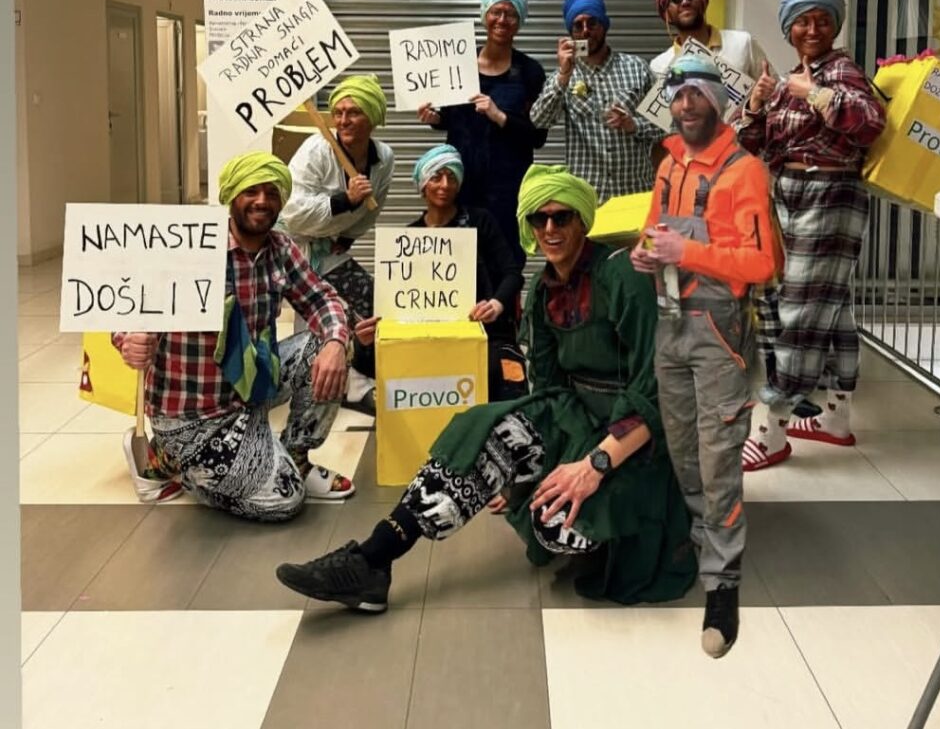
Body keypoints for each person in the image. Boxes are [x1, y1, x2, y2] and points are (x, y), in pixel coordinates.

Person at [276, 165, 695, 610]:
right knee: (481, 428)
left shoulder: (624, 275)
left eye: (562, 217)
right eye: (539, 219)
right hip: (582, 418)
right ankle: (373, 559)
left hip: (641, 437)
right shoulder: (545, 290)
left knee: (555, 528)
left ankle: (620, 521)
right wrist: (510, 462)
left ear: (582, 221)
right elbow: (549, 394)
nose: (549, 229)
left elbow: (659, 391)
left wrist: (593, 466)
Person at [630, 54, 778, 658]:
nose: (685, 104)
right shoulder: (669, 163)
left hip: (717, 329)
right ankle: (701, 538)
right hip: (669, 323)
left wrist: (686, 254)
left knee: (719, 457)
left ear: (718, 101)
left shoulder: (746, 172)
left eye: (696, 93)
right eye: (677, 94)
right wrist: (645, 253)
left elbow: (764, 263)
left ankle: (723, 582)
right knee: (683, 445)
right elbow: (652, 229)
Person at [113, 152, 354, 521]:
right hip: (193, 415)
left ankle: (295, 456)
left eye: (271, 193)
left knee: (329, 343)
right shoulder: (191, 246)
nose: (262, 201)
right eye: (250, 192)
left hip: (252, 389)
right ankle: (176, 463)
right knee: (285, 501)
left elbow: (322, 299)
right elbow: (130, 307)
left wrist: (336, 342)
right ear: (231, 196)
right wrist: (128, 340)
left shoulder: (281, 249)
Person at [736, 0, 885, 471]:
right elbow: (754, 143)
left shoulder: (841, 71)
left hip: (831, 190)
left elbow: (870, 123)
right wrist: (757, 103)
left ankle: (772, 429)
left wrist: (815, 94)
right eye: (803, 21)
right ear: (789, 29)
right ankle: (835, 418)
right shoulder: (787, 80)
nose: (813, 29)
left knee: (799, 311)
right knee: (830, 307)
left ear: (836, 25)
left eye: (823, 19)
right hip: (790, 193)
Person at [352, 144, 526, 401]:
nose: (445, 185)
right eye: (436, 177)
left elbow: (513, 273)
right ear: (423, 185)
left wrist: (496, 304)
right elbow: (395, 301)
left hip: (484, 333)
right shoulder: (407, 239)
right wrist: (372, 332)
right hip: (425, 338)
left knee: (508, 384)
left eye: (452, 177)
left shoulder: (480, 221)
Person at [418, 0, 547, 266]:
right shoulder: (458, 62)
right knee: (459, 260)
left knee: (506, 259)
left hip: (508, 187)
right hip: (461, 183)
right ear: (484, 15)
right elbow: (451, 117)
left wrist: (500, 116)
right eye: (496, 12)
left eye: (511, 14)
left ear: (520, 22)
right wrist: (435, 118)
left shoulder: (530, 72)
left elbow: (538, 136)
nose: (502, 20)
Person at [278, 74, 394, 329]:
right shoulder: (316, 151)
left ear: (372, 117)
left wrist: (348, 237)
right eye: (338, 113)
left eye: (353, 113)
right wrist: (344, 201)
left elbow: (374, 207)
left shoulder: (383, 157)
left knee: (370, 302)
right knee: (312, 313)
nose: (343, 121)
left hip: (325, 245)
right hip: (289, 244)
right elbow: (292, 212)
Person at [530, 0, 664, 203]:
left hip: (635, 192)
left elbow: (665, 124)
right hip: (587, 197)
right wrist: (563, 75)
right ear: (570, 32)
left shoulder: (637, 68)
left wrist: (633, 125)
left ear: (604, 25)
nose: (585, 31)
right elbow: (538, 120)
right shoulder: (564, 76)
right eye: (578, 25)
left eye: (592, 23)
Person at [650, 0, 775, 120]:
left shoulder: (742, 43)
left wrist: (766, 93)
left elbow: (778, 92)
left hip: (744, 134)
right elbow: (667, 122)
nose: (685, 2)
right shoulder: (659, 66)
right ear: (667, 15)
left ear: (704, 1)